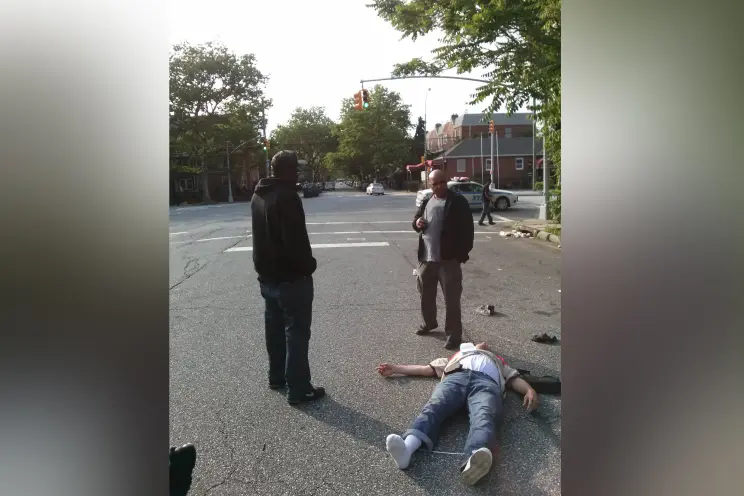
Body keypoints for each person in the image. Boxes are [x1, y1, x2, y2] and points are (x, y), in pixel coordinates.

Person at [376, 343, 539, 486]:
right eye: (477, 344)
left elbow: (513, 379)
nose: (482, 345)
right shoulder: (457, 356)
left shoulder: (497, 360)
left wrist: (529, 390)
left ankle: (474, 460)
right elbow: (426, 369)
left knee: (485, 415)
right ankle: (407, 449)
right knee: (434, 407)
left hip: (486, 383)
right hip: (455, 378)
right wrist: (395, 368)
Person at [251, 150, 325, 405]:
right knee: (296, 331)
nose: (298, 173)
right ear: (287, 170)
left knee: (274, 329)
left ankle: (277, 377)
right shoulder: (287, 197)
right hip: (291, 278)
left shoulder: (258, 195)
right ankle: (299, 387)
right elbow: (295, 241)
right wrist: (308, 266)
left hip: (267, 277)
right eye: (295, 168)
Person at [412, 169, 475, 350]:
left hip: (448, 261)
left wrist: (460, 256)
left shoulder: (457, 202)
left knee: (452, 300)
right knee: (426, 295)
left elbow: (468, 231)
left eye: (442, 182)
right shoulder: (426, 200)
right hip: (427, 258)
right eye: (435, 183)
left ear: (446, 182)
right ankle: (429, 323)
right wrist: (417, 223)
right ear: (429, 185)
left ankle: (454, 335)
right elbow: (417, 219)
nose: (439, 186)